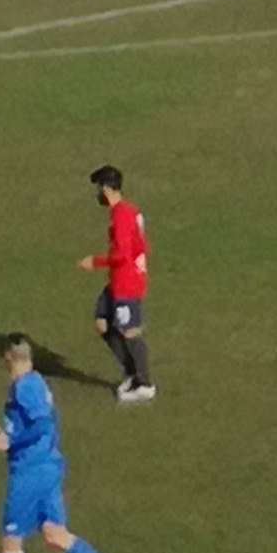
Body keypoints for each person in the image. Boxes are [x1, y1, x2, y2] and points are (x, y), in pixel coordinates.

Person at [0, 334, 125, 553]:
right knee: (55, 534)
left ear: (8, 358)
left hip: (30, 473)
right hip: (48, 467)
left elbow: (42, 425)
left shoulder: (24, 386)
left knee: (11, 541)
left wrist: (10, 440)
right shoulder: (37, 381)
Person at [84, 164, 155, 403]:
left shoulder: (122, 215)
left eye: (98, 189)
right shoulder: (129, 211)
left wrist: (95, 262)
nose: (97, 195)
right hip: (119, 280)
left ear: (106, 188)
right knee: (102, 323)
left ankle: (145, 383)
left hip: (126, 283)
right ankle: (131, 373)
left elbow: (122, 255)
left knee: (129, 332)